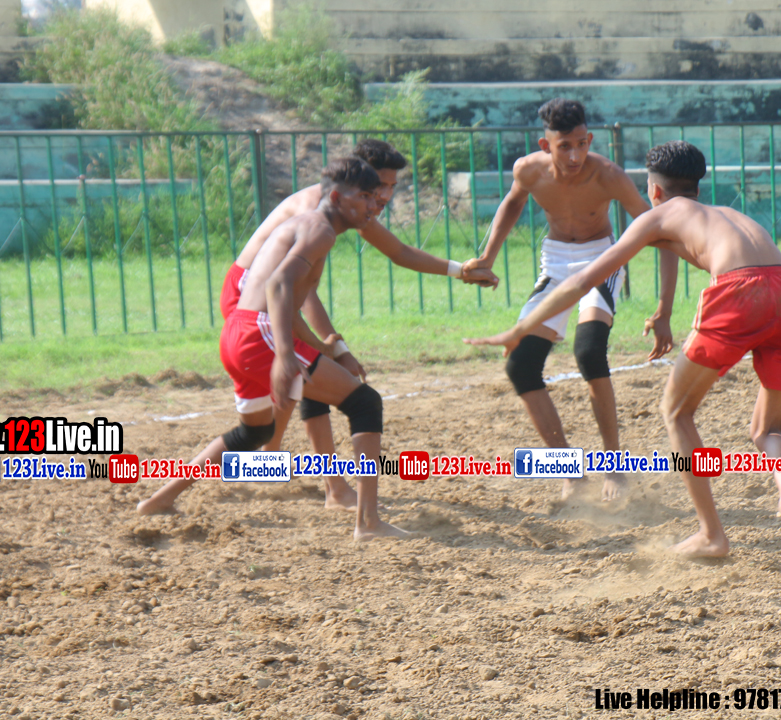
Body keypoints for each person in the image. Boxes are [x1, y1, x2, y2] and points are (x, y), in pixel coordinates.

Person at [467, 140, 781, 570]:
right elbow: (687, 252)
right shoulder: (730, 215)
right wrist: (664, 311)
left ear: (654, 190)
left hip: (739, 292)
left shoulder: (658, 215)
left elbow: (582, 282)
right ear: (697, 185)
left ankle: (711, 534)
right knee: (768, 429)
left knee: (676, 412)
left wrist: (521, 328)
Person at [139, 158, 410, 541]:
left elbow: (287, 300)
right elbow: (279, 286)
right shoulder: (320, 229)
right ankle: (368, 523)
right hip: (258, 334)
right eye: (365, 196)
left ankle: (159, 499)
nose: (374, 204)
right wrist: (285, 357)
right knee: (365, 403)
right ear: (336, 198)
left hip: (237, 332)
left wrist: (321, 348)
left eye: (375, 196)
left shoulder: (310, 226)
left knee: (254, 433)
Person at [222, 139, 498, 511]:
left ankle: (273, 465)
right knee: (310, 374)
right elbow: (296, 293)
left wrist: (459, 270)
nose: (384, 197)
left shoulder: (350, 206)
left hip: (272, 299)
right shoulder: (318, 211)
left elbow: (398, 251)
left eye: (391, 187)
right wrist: (334, 346)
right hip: (249, 298)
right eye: (378, 186)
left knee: (304, 380)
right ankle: (325, 485)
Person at [462, 99, 677, 502]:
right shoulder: (528, 170)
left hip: (601, 259)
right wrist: (487, 257)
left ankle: (614, 467)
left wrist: (664, 308)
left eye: (581, 144)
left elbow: (660, 233)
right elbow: (513, 202)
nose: (575, 156)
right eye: (565, 147)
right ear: (546, 146)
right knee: (521, 366)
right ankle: (569, 472)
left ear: (590, 139)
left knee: (589, 352)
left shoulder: (609, 175)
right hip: (557, 264)